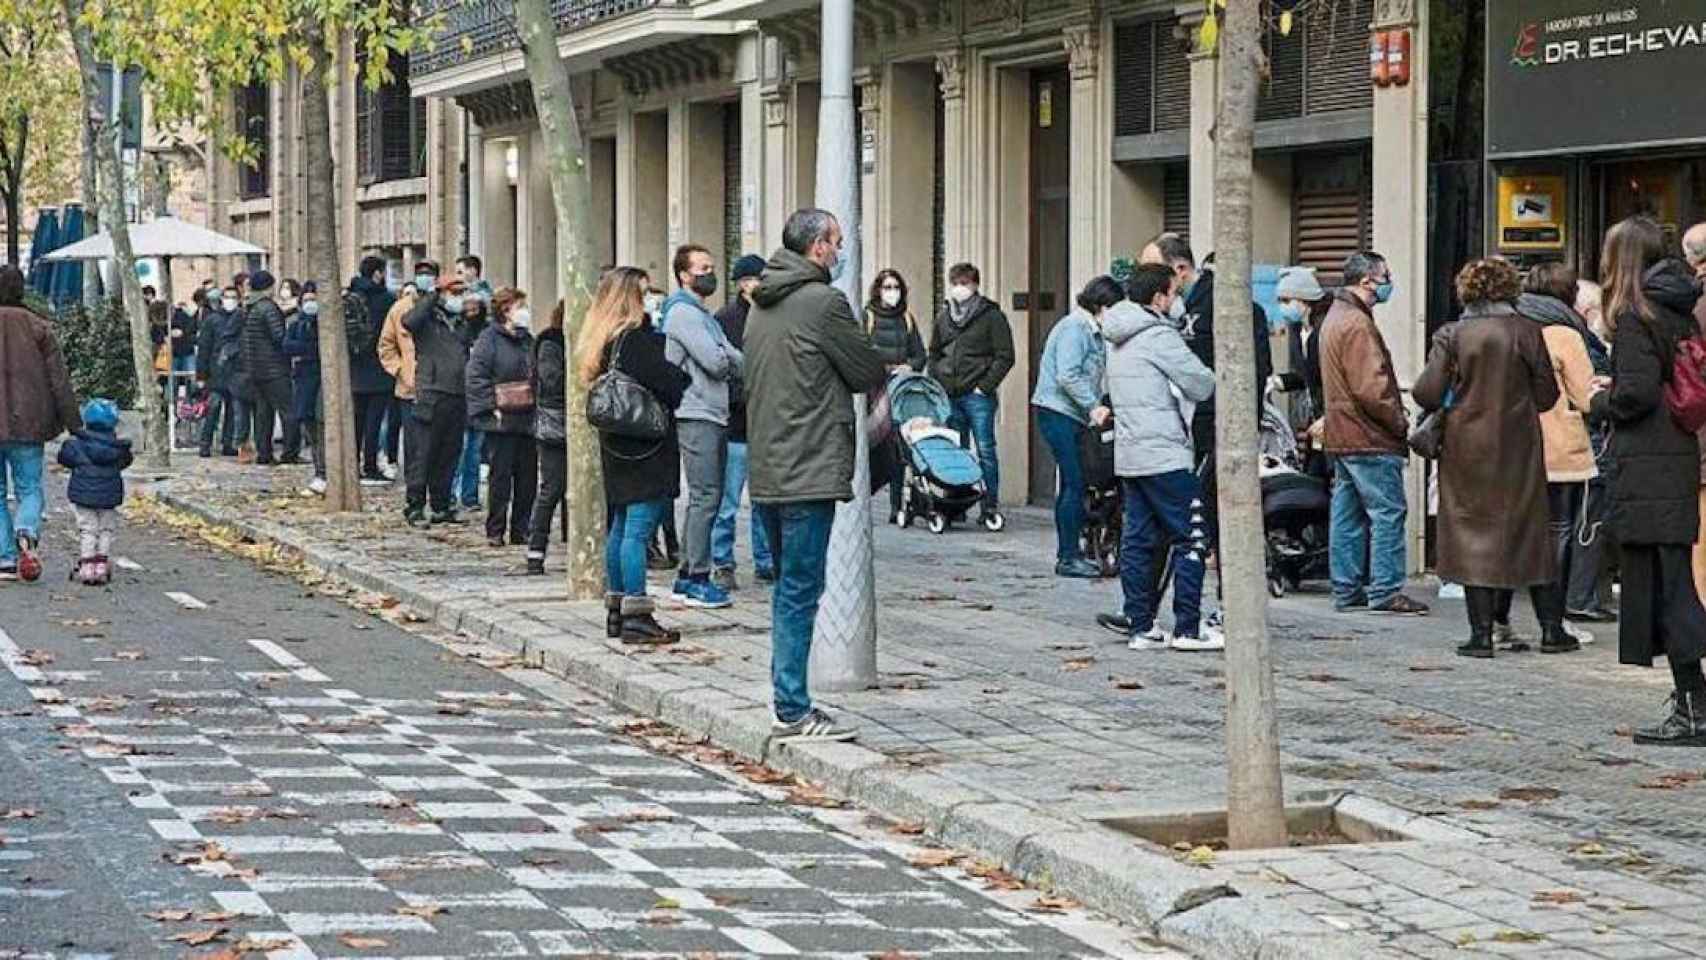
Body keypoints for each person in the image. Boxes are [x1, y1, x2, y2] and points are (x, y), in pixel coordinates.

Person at [746, 208, 888, 741]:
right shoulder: (824, 302)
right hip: (808, 463)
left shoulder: (764, 301)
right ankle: (792, 705)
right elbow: (865, 369)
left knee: (788, 586)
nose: (841, 249)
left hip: (770, 463)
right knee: (802, 588)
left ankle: (789, 697)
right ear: (820, 248)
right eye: (838, 241)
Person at [1415, 259, 1570, 658]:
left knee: (1471, 535)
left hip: (1466, 449)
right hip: (1519, 447)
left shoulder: (1453, 334)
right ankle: (1552, 631)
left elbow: (1427, 393)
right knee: (1531, 532)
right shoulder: (1528, 331)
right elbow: (1548, 395)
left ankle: (1481, 635)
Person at [1590, 216, 1706, 745]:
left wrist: (1598, 400)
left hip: (1648, 466)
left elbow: (1635, 394)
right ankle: (1693, 703)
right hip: (1674, 458)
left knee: (1669, 590)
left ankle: (1693, 708)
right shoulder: (1679, 310)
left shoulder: (1638, 316)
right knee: (1672, 581)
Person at [1092, 264, 1221, 651]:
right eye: (1174, 292)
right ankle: (1187, 627)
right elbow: (1201, 383)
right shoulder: (1158, 336)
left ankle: (1141, 626)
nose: (1178, 300)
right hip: (1165, 452)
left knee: (1138, 539)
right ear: (1159, 298)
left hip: (1131, 454)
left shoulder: (1115, 335)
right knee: (1192, 536)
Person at [580, 267, 691, 643]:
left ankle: (617, 609)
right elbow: (672, 384)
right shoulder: (636, 341)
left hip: (617, 443)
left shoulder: (602, 340)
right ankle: (637, 614)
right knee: (638, 529)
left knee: (622, 525)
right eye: (645, 295)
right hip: (646, 446)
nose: (652, 302)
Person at [1320, 251, 1430, 615]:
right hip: (1368, 435)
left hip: (1343, 435)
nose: (1388, 283)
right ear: (1367, 280)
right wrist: (1399, 421)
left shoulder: (1336, 318)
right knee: (1388, 512)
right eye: (1385, 276)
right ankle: (1384, 589)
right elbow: (1372, 388)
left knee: (1347, 514)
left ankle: (1346, 587)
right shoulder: (1356, 323)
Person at [1512, 262, 1601, 648]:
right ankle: (1554, 624)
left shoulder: (1511, 324)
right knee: (1558, 536)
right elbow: (1585, 396)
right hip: (1559, 450)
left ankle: (1497, 624)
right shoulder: (1565, 333)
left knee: (1514, 534)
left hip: (1512, 448)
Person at [661, 243, 743, 609]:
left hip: (713, 411)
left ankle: (691, 572)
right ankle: (694, 575)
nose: (710, 273)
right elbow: (717, 361)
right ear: (684, 274)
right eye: (702, 268)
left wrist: (731, 358)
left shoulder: (702, 314)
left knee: (709, 495)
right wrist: (727, 358)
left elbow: (736, 357)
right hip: (696, 412)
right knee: (706, 496)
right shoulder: (683, 314)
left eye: (712, 266)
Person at [1030, 275, 1118, 579]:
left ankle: (1074, 551)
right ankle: (1067, 556)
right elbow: (1068, 375)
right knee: (1074, 482)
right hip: (1060, 413)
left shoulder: (1091, 331)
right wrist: (1094, 406)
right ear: (1102, 305)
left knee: (1078, 482)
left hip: (1071, 414)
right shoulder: (1075, 328)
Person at [0, 264, 81, 583]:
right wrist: (75, 424)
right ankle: (27, 530)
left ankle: (4, 558)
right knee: (30, 487)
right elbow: (59, 381)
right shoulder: (39, 327)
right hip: (29, 423)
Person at [930, 262, 1014, 527]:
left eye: (964, 284)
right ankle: (957, 504)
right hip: (950, 393)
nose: (959, 289)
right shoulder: (944, 316)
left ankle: (989, 505)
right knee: (956, 452)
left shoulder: (991, 316)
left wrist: (985, 386)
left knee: (985, 449)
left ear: (975, 285)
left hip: (978, 396)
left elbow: (1005, 356)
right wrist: (938, 379)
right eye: (955, 284)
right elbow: (934, 351)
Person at [711, 253, 774, 589]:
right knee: (729, 500)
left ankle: (765, 560)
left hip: (766, 425)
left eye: (759, 279)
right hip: (736, 424)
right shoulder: (726, 319)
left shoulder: (774, 315)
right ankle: (723, 561)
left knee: (765, 500)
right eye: (749, 280)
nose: (754, 286)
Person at [466, 288, 537, 548]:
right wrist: (489, 407)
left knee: (528, 477)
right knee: (500, 477)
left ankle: (522, 528)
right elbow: (476, 376)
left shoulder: (528, 340)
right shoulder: (489, 340)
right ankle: (495, 528)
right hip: (502, 420)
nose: (524, 311)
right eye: (520, 306)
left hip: (527, 418)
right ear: (506, 310)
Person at [403, 271, 474, 526]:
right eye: (453, 293)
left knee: (449, 453)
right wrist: (434, 295)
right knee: (424, 453)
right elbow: (409, 322)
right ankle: (415, 505)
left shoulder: (462, 321)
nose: (459, 298)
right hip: (432, 393)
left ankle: (441, 504)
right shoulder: (427, 318)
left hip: (457, 393)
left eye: (461, 293)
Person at [865, 268, 930, 526]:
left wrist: (910, 367)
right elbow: (861, 352)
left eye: (896, 287)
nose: (892, 292)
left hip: (902, 391)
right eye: (887, 287)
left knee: (900, 449)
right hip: (876, 391)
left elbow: (920, 353)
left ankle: (898, 504)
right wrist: (884, 367)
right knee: (877, 444)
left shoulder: (907, 319)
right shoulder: (867, 317)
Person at [1570, 278, 1618, 621]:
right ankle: (1581, 597)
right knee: (1590, 520)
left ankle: (1588, 596)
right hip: (1593, 442)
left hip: (1582, 441)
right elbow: (1587, 396)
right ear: (1589, 311)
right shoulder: (1584, 344)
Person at [57, 398, 132, 586]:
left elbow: (64, 459)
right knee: (106, 528)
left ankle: (87, 563)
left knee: (88, 529)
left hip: (83, 495)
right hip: (109, 496)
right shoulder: (119, 448)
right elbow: (125, 462)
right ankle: (101, 562)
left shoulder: (76, 445)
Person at [525, 299, 569, 576]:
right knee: (552, 487)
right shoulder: (551, 343)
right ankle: (536, 549)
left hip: (583, 423)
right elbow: (551, 380)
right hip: (556, 423)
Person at [240, 271, 300, 466]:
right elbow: (278, 336)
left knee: (263, 413)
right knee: (288, 411)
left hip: (256, 369)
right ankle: (290, 453)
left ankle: (264, 453)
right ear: (268, 287)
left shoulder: (250, 307)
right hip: (274, 368)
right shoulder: (268, 307)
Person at [349, 256, 397, 485]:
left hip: (355, 366)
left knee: (357, 419)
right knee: (374, 421)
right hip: (379, 367)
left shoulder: (350, 296)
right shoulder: (385, 299)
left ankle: (352, 463)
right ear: (378, 273)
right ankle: (370, 464)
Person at [283, 283, 328, 496]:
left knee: (322, 426)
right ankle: (319, 471)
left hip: (322, 380)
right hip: (303, 382)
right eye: (307, 300)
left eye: (314, 299)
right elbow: (287, 347)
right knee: (310, 427)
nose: (311, 304)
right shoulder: (296, 324)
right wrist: (308, 350)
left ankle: (325, 472)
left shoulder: (326, 325)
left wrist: (306, 351)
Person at [379, 281, 422, 498]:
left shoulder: (440, 308)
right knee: (413, 441)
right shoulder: (399, 309)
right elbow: (386, 345)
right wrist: (400, 370)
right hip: (409, 387)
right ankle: (414, 491)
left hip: (441, 387)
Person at [196, 284, 246, 457]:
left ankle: (227, 443)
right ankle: (205, 443)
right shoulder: (212, 320)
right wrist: (201, 375)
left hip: (235, 372)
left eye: (233, 297)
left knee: (233, 411)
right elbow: (204, 348)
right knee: (213, 409)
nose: (230, 301)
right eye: (227, 297)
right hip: (215, 372)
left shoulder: (242, 318)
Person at [452, 295, 491, 511]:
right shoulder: (457, 329)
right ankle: (450, 494)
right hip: (459, 397)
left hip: (479, 400)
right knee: (459, 452)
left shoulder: (486, 332)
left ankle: (469, 496)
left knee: (474, 454)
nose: (471, 311)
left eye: (475, 307)